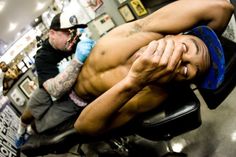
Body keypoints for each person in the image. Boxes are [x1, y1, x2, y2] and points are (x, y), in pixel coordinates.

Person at [19, 0, 234, 144]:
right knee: (30, 111)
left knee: (41, 126)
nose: (179, 59)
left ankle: (29, 136)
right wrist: (204, 47)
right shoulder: (150, 30)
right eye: (185, 48)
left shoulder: (153, 92)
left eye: (187, 69)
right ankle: (22, 129)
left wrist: (134, 81)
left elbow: (84, 127)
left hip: (76, 102)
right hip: (63, 80)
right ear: (176, 34)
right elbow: (223, 8)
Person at [15, 11, 95, 148]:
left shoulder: (74, 42)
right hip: (48, 88)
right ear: (52, 33)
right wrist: (77, 61)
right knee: (29, 114)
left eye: (74, 32)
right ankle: (21, 131)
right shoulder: (42, 56)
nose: (73, 37)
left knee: (49, 122)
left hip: (71, 90)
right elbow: (54, 91)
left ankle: (31, 130)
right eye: (67, 33)